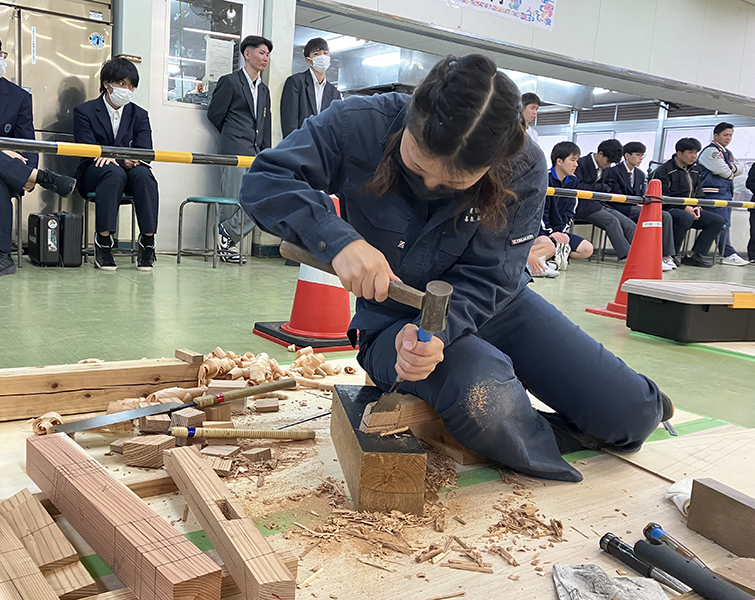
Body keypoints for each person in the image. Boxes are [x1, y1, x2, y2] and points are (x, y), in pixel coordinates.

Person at [239, 54, 670, 483]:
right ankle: (502, 426)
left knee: (630, 416)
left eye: (452, 183)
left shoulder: (523, 166)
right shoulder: (360, 122)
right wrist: (339, 240)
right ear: (411, 117)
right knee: (484, 396)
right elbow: (265, 180)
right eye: (418, 166)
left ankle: (587, 413)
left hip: (495, 304)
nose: (429, 187)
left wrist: (441, 332)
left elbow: (490, 280)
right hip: (394, 321)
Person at [0, 27, 75, 277]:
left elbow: (27, 142)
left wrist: (15, 161)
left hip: (1, 171)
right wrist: (4, 154)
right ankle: (39, 176)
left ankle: (0, 256)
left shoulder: (18, 96)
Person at [73, 57, 159, 272]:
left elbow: (145, 151)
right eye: (122, 84)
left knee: (144, 175)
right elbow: (86, 148)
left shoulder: (139, 115)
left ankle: (148, 242)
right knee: (113, 172)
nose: (127, 90)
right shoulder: (85, 111)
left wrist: (127, 160)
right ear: (106, 84)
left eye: (131, 86)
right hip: (95, 173)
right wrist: (120, 160)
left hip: (130, 173)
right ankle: (103, 242)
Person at [207, 35, 273, 263]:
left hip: (256, 155)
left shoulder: (264, 90)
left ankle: (227, 234)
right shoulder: (230, 82)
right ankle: (227, 247)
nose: (265, 58)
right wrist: (233, 135)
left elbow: (265, 125)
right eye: (261, 53)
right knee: (232, 199)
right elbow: (215, 115)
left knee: (263, 200)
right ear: (247, 53)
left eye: (267, 54)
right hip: (233, 150)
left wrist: (267, 155)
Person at [651, 138, 725, 268]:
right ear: (679, 153)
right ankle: (671, 255)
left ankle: (694, 255)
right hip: (668, 209)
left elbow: (699, 194)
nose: (694, 156)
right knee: (684, 217)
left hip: (690, 209)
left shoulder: (695, 171)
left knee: (717, 220)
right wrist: (684, 207)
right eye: (690, 152)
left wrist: (697, 207)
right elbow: (663, 197)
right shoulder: (664, 171)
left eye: (696, 152)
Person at [605, 141, 678, 271]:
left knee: (665, 216)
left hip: (635, 207)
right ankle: (648, 256)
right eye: (638, 155)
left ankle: (666, 255)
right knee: (644, 218)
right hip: (618, 207)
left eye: (642, 155)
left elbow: (640, 194)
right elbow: (612, 193)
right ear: (627, 155)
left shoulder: (640, 174)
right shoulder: (613, 171)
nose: (640, 158)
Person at [528, 141, 593, 277]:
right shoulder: (544, 178)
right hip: (539, 230)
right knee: (548, 245)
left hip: (558, 230)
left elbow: (570, 210)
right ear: (559, 161)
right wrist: (550, 233)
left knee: (587, 249)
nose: (576, 164)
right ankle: (536, 262)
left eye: (577, 160)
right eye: (573, 160)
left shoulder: (573, 181)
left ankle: (551, 259)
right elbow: (538, 211)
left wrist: (561, 232)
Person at [573, 140, 636, 261]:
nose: (609, 165)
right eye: (608, 161)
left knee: (629, 224)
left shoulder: (607, 168)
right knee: (612, 221)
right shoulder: (580, 164)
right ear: (600, 154)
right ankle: (629, 257)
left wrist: (596, 189)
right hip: (583, 205)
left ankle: (639, 254)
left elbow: (609, 187)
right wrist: (599, 189)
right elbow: (579, 187)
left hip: (601, 203)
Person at [697, 122, 748, 266]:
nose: (728, 138)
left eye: (731, 135)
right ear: (716, 135)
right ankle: (727, 253)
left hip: (725, 193)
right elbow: (726, 172)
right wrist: (730, 170)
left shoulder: (727, 152)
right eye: (725, 135)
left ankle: (727, 252)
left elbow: (740, 169)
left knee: (726, 223)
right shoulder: (710, 151)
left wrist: (729, 169)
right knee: (721, 224)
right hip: (713, 194)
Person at [280, 37, 341, 138]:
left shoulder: (334, 92)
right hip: (299, 145)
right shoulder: (296, 82)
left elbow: (335, 125)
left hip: (323, 149)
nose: (322, 56)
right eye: (316, 54)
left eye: (325, 53)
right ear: (308, 60)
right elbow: (290, 123)